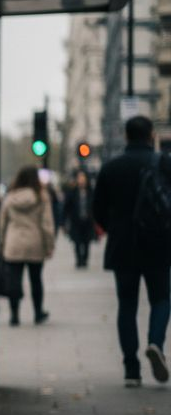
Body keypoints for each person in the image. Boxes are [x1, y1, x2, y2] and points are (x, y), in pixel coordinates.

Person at [93, 115, 171, 386]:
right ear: (151, 135)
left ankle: (131, 370)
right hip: (158, 244)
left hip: (123, 245)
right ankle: (155, 343)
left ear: (126, 136)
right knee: (161, 299)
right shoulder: (164, 163)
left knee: (127, 305)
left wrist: (114, 227)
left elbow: (98, 210)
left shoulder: (111, 167)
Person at [0, 166, 55, 326]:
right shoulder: (41, 196)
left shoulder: (10, 197)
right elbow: (46, 224)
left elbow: (2, 223)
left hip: (13, 243)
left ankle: (14, 315)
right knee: (36, 279)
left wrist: (1, 243)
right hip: (34, 242)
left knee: (13, 281)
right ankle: (38, 312)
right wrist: (49, 244)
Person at [63, 169, 97, 268]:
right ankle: (79, 259)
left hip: (88, 221)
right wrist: (63, 222)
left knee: (86, 242)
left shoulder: (91, 192)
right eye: (79, 178)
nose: (81, 180)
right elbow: (66, 207)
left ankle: (85, 259)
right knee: (77, 242)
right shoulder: (72, 192)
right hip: (75, 221)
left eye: (83, 178)